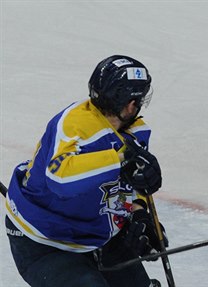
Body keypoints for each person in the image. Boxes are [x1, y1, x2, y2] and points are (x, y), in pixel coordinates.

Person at [4, 55, 166, 287]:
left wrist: (139, 212)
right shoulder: (75, 125)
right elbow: (59, 178)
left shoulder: (135, 132)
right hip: (45, 241)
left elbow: (129, 183)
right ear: (129, 103)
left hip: (98, 235)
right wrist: (120, 159)